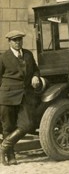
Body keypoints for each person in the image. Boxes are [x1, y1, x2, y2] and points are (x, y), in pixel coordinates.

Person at [0, 31, 42, 165]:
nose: (18, 42)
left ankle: (3, 147)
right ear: (9, 42)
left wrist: (36, 76)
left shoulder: (28, 54)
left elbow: (36, 69)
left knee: (27, 124)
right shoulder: (3, 57)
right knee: (8, 127)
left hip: (25, 96)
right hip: (7, 96)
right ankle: (11, 156)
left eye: (19, 40)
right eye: (14, 40)